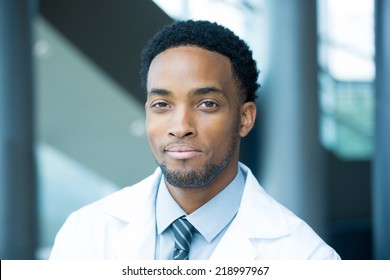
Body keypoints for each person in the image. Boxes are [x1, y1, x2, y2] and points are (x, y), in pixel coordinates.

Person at [49, 20, 340, 260]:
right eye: (162, 105)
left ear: (244, 118)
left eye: (207, 104)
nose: (180, 127)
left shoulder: (306, 258)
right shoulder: (84, 233)